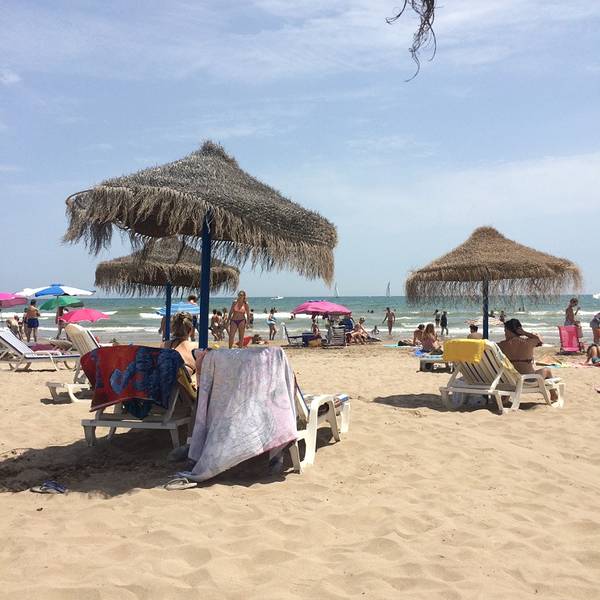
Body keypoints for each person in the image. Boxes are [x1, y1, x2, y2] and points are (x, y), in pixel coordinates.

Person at [498, 318, 558, 401]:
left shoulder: (501, 345)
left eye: (505, 331)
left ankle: (505, 396)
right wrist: (524, 332)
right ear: (519, 330)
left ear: (509, 331)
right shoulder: (528, 342)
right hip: (529, 379)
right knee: (547, 370)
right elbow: (539, 340)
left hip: (511, 380)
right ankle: (553, 394)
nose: (505, 333)